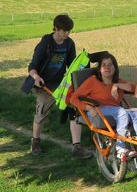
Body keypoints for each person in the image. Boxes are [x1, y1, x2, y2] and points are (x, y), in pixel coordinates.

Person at [27, 14, 92, 159]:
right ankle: (35, 141)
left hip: (60, 83)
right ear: (56, 29)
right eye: (64, 31)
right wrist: (36, 77)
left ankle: (77, 147)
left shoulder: (69, 44)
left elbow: (72, 68)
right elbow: (32, 66)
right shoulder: (46, 43)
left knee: (74, 107)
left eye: (69, 31)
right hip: (43, 83)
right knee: (42, 110)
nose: (67, 34)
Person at [69, 52, 137, 160]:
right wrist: (88, 108)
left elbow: (134, 88)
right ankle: (120, 148)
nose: (107, 67)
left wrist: (116, 85)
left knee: (136, 115)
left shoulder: (118, 82)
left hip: (115, 112)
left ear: (115, 68)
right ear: (99, 69)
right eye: (104, 65)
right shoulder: (93, 81)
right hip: (97, 111)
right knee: (122, 112)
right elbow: (73, 98)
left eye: (110, 65)